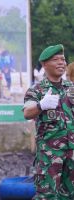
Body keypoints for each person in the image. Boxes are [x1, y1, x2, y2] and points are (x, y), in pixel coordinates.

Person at [23, 44, 74, 199]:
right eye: (56, 59)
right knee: (47, 195)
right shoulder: (37, 90)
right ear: (45, 65)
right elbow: (27, 113)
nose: (61, 63)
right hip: (50, 156)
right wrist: (41, 105)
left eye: (63, 59)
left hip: (72, 154)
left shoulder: (71, 88)